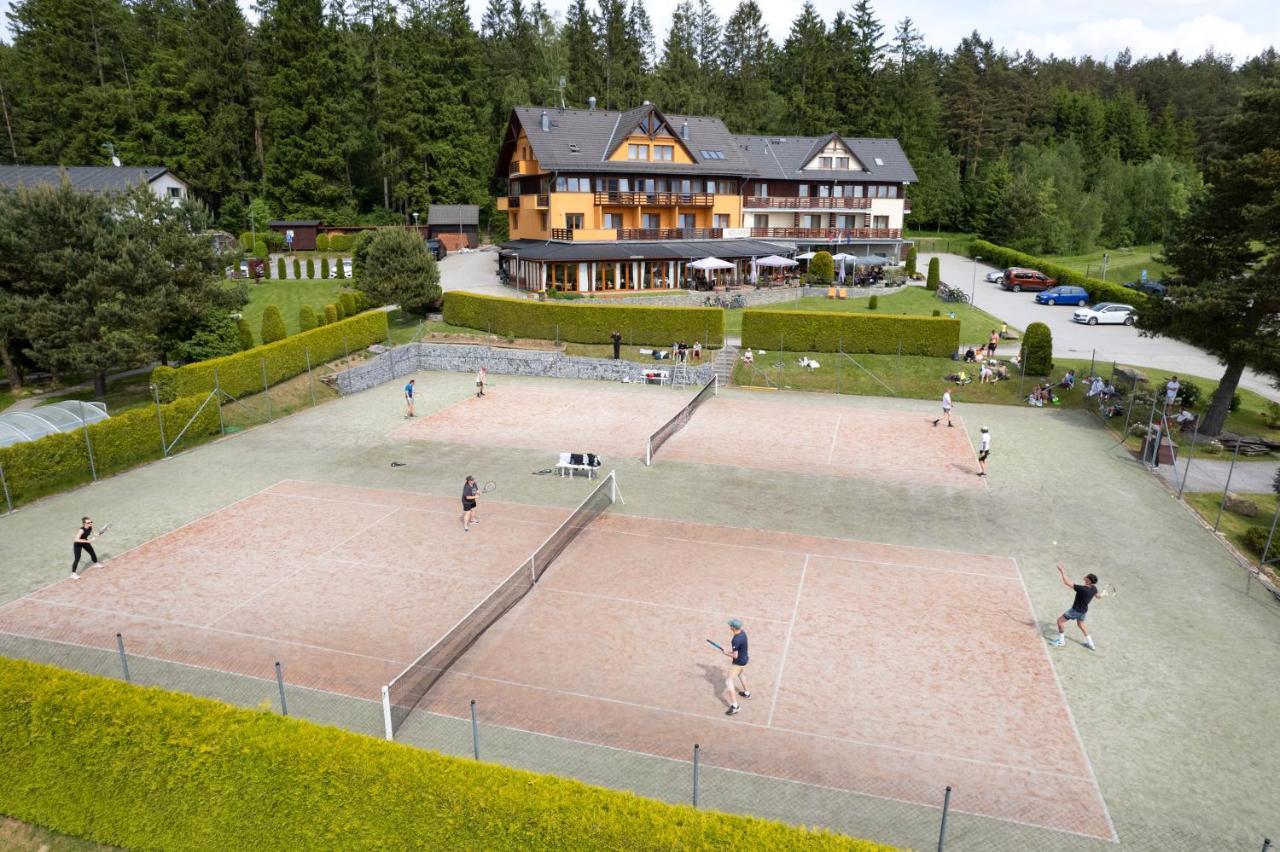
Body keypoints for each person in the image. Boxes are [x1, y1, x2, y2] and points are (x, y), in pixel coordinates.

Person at [1049, 565, 1099, 650]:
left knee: (1060, 621)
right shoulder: (1094, 588)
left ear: (1088, 580)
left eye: (1087, 576)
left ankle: (1061, 642)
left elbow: (1066, 582)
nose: (1085, 576)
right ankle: (1091, 644)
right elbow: (1098, 596)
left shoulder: (1082, 589)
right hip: (1083, 611)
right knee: (1081, 625)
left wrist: (1062, 571)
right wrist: (1100, 595)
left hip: (1075, 610)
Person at [720, 618, 751, 716]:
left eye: (730, 625)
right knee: (741, 674)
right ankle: (746, 693)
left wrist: (726, 653)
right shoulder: (743, 633)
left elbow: (735, 655)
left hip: (738, 662)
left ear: (733, 627)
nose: (729, 626)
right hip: (745, 659)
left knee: (728, 681)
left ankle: (735, 706)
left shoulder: (735, 640)